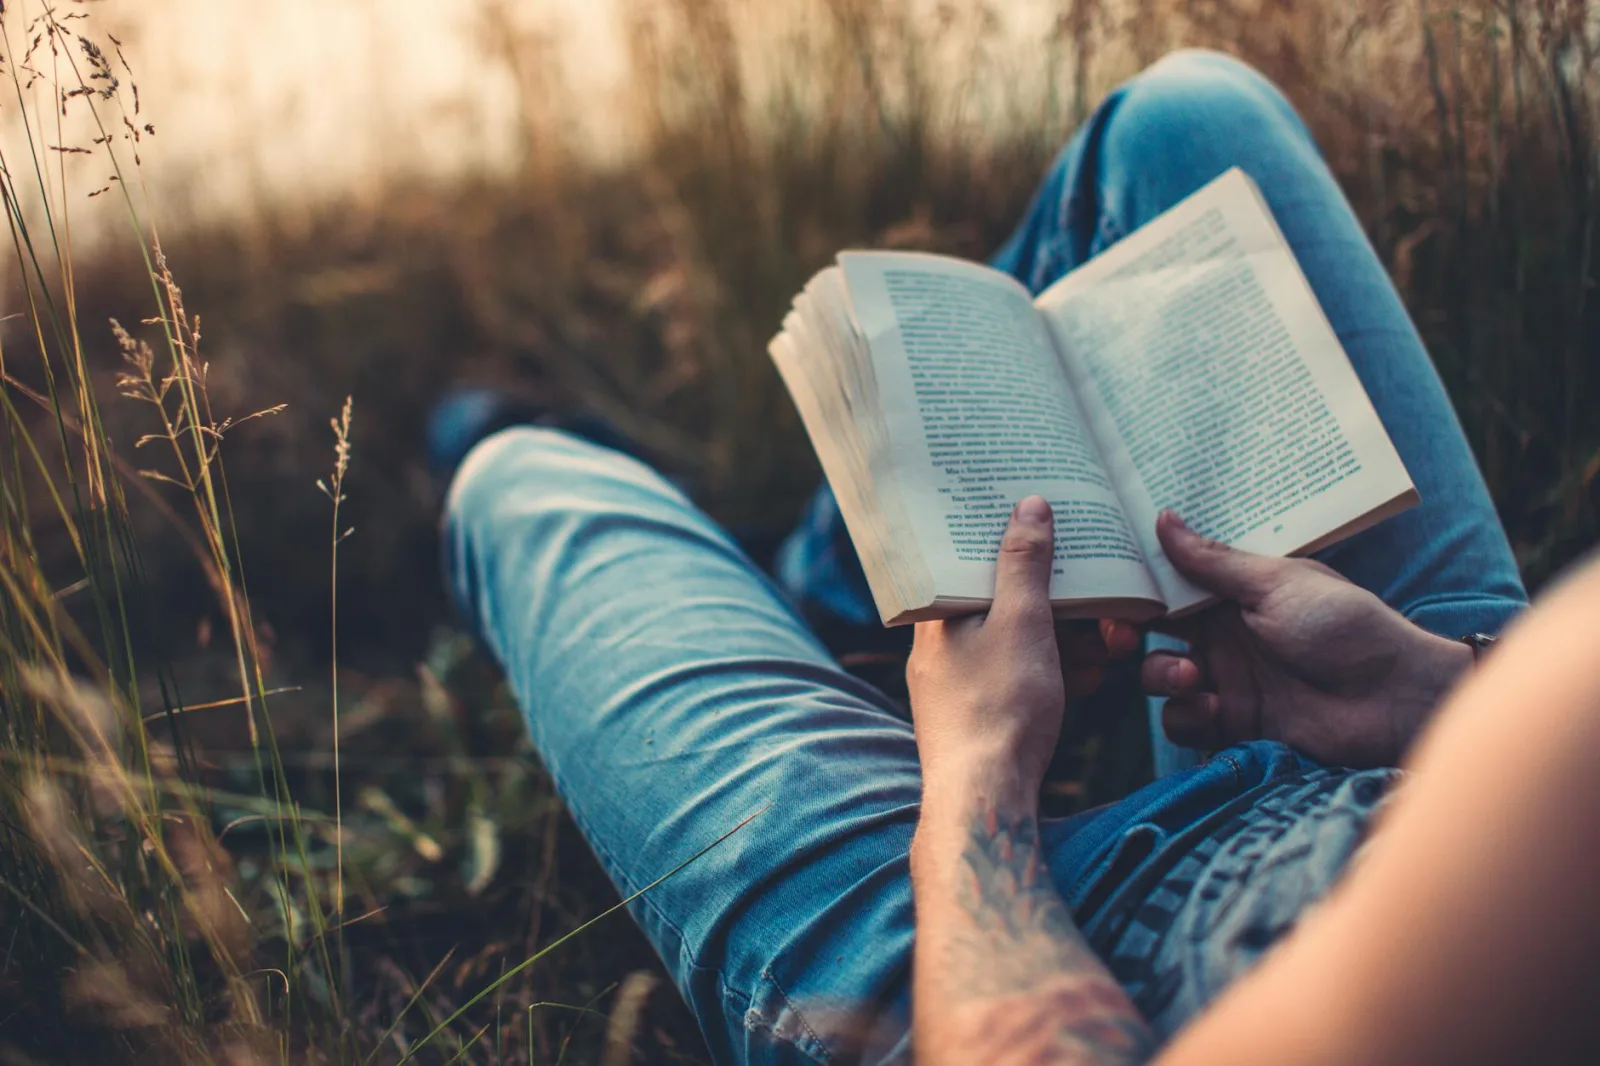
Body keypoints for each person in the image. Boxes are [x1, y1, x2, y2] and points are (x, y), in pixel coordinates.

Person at [436, 49, 1540, 1065]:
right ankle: (831, 591)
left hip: (1057, 958)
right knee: (1181, 118)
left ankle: (754, 571)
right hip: (1420, 756)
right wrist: (1425, 685)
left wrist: (977, 771)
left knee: (527, 482)